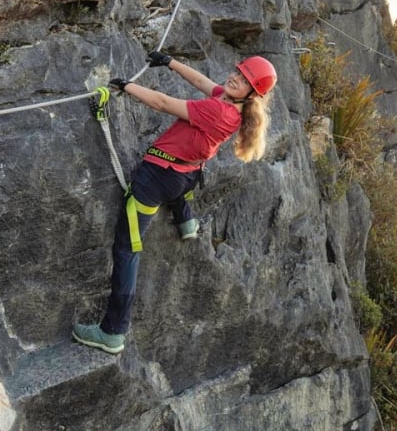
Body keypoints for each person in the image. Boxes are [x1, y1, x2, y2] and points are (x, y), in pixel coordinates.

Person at [72, 51, 276, 354]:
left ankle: (113, 331)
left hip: (156, 178)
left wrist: (126, 87)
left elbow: (163, 103)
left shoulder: (218, 112)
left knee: (127, 248)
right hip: (183, 174)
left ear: (252, 94)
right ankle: (186, 221)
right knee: (182, 183)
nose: (235, 77)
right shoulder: (230, 102)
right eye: (238, 71)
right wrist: (169, 62)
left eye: (244, 79)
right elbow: (200, 80)